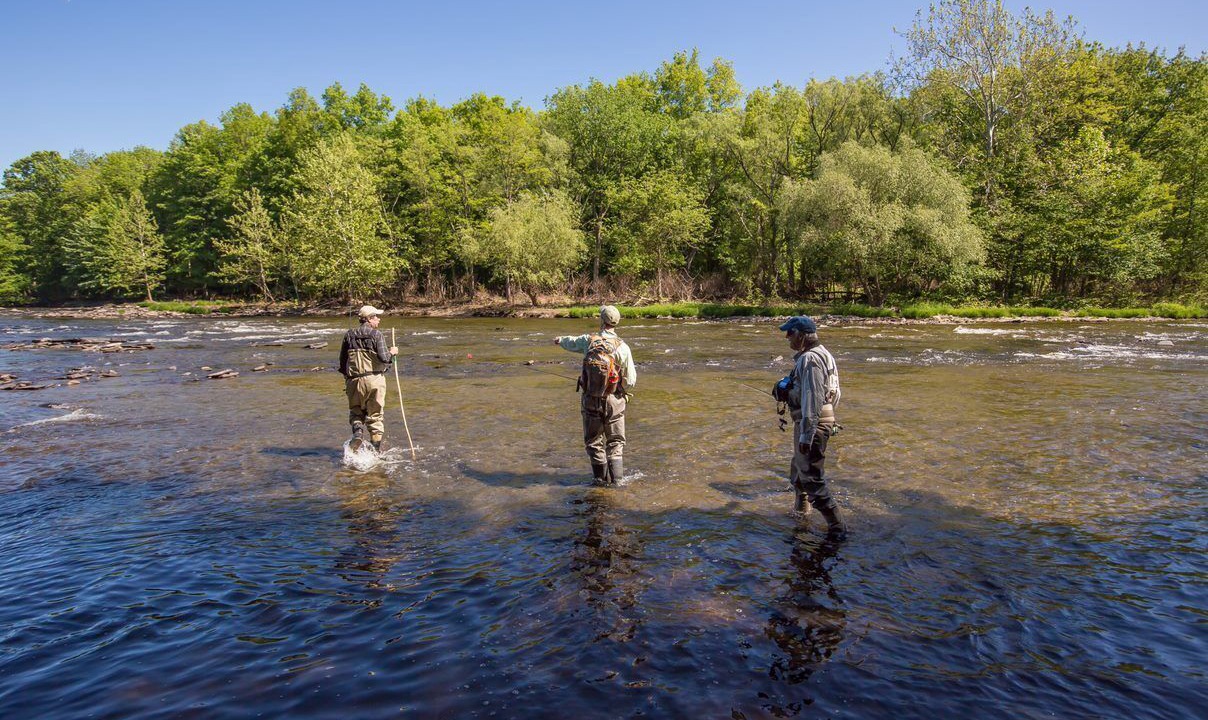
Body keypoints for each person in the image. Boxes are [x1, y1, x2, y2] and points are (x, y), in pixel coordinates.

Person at [778, 315, 847, 539]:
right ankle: (802, 517)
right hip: (818, 420)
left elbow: (814, 397)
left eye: (790, 333)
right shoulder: (824, 354)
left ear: (801, 335)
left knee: (812, 480)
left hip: (812, 424)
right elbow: (833, 393)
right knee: (799, 474)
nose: (787, 337)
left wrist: (807, 435)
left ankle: (838, 531)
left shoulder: (810, 359)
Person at [553, 305, 637, 485]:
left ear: (601, 321)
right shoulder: (623, 347)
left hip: (590, 398)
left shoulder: (588, 341)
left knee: (593, 442)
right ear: (616, 323)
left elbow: (571, 342)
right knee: (615, 442)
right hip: (614, 399)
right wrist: (619, 391)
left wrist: (560, 340)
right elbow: (630, 380)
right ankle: (617, 483)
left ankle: (599, 482)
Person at [338, 305, 398, 452]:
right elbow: (385, 358)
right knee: (375, 416)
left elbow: (342, 361)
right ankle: (375, 452)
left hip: (353, 380)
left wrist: (348, 379)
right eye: (376, 316)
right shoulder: (377, 335)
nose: (379, 319)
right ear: (369, 319)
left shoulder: (349, 335)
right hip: (374, 380)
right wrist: (393, 352)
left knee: (356, 412)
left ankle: (358, 434)